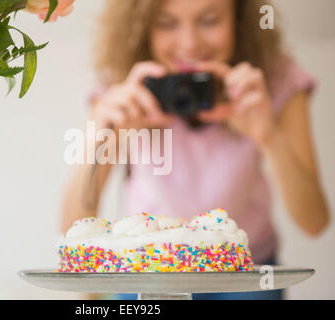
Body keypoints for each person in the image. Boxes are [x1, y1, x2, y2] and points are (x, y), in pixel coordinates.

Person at [60, 0, 330, 300]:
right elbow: (71, 228)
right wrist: (103, 133)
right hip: (144, 273)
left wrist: (268, 135)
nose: (189, 44)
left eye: (210, 20)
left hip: (245, 275)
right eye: (166, 23)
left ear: (238, 19)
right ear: (142, 26)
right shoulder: (122, 86)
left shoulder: (275, 79)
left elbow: (314, 222)